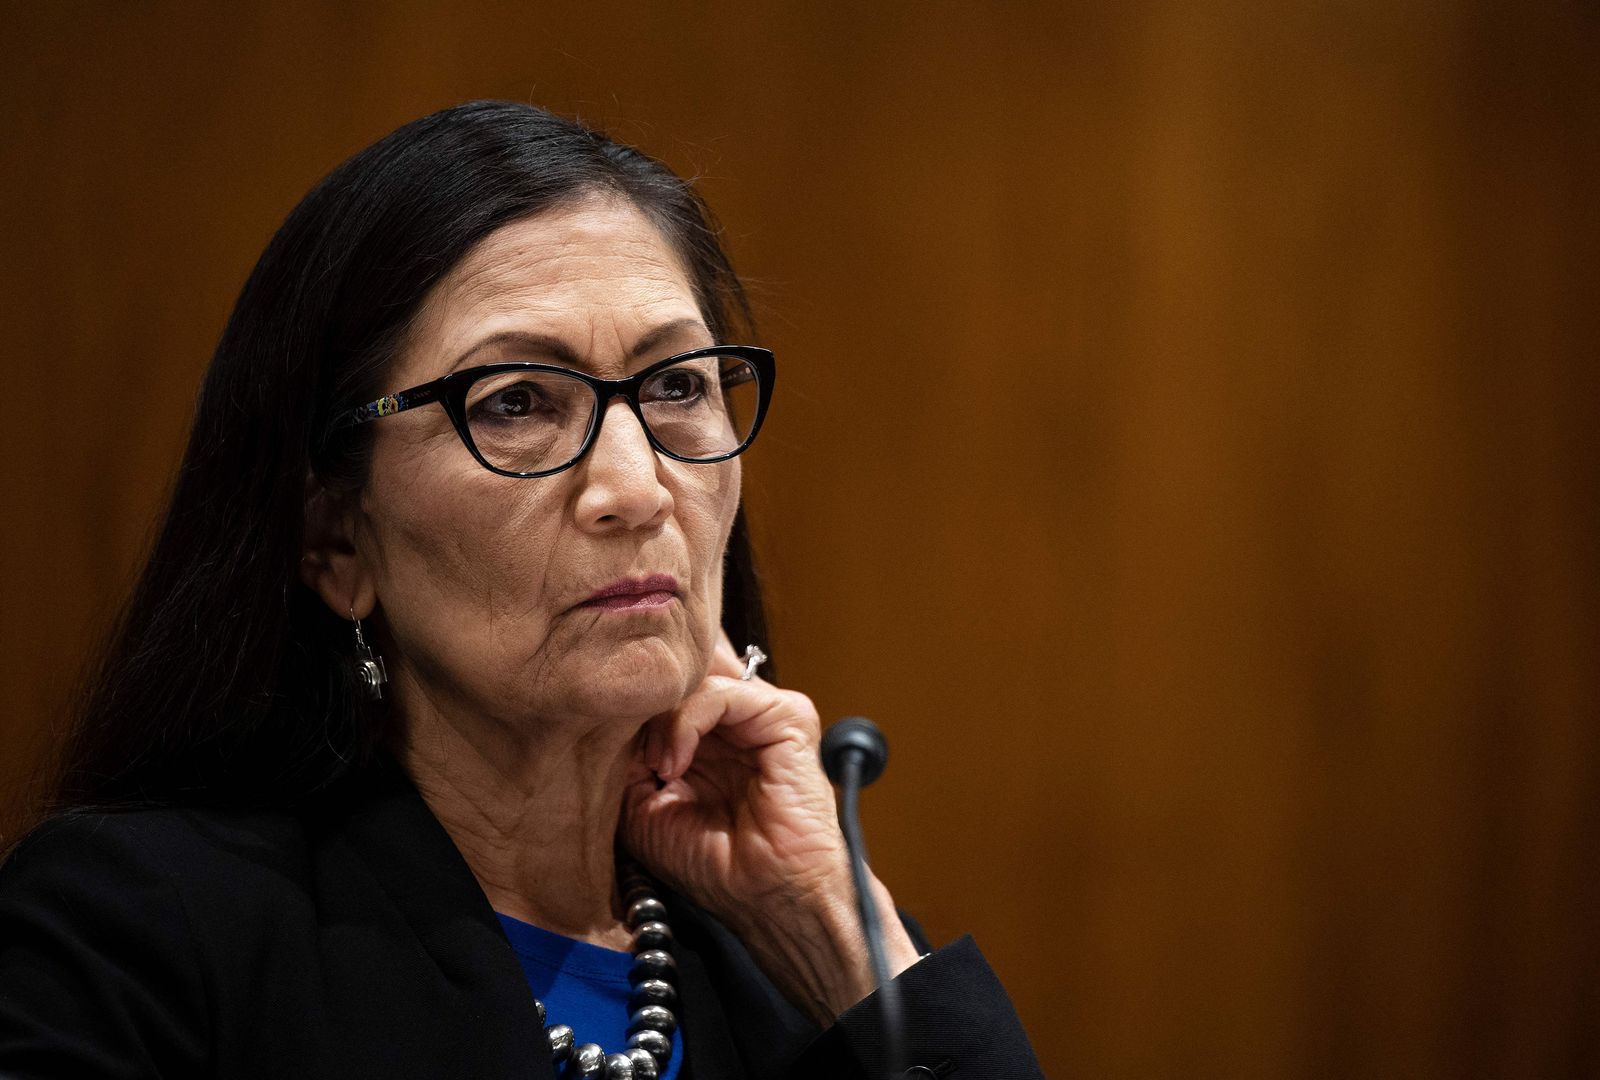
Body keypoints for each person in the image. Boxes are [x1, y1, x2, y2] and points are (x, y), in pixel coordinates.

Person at [0, 100, 1045, 1080]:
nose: (637, 489)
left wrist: (835, 930)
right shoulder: (136, 935)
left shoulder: (792, 975)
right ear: (335, 540)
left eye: (677, 385)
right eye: (514, 404)